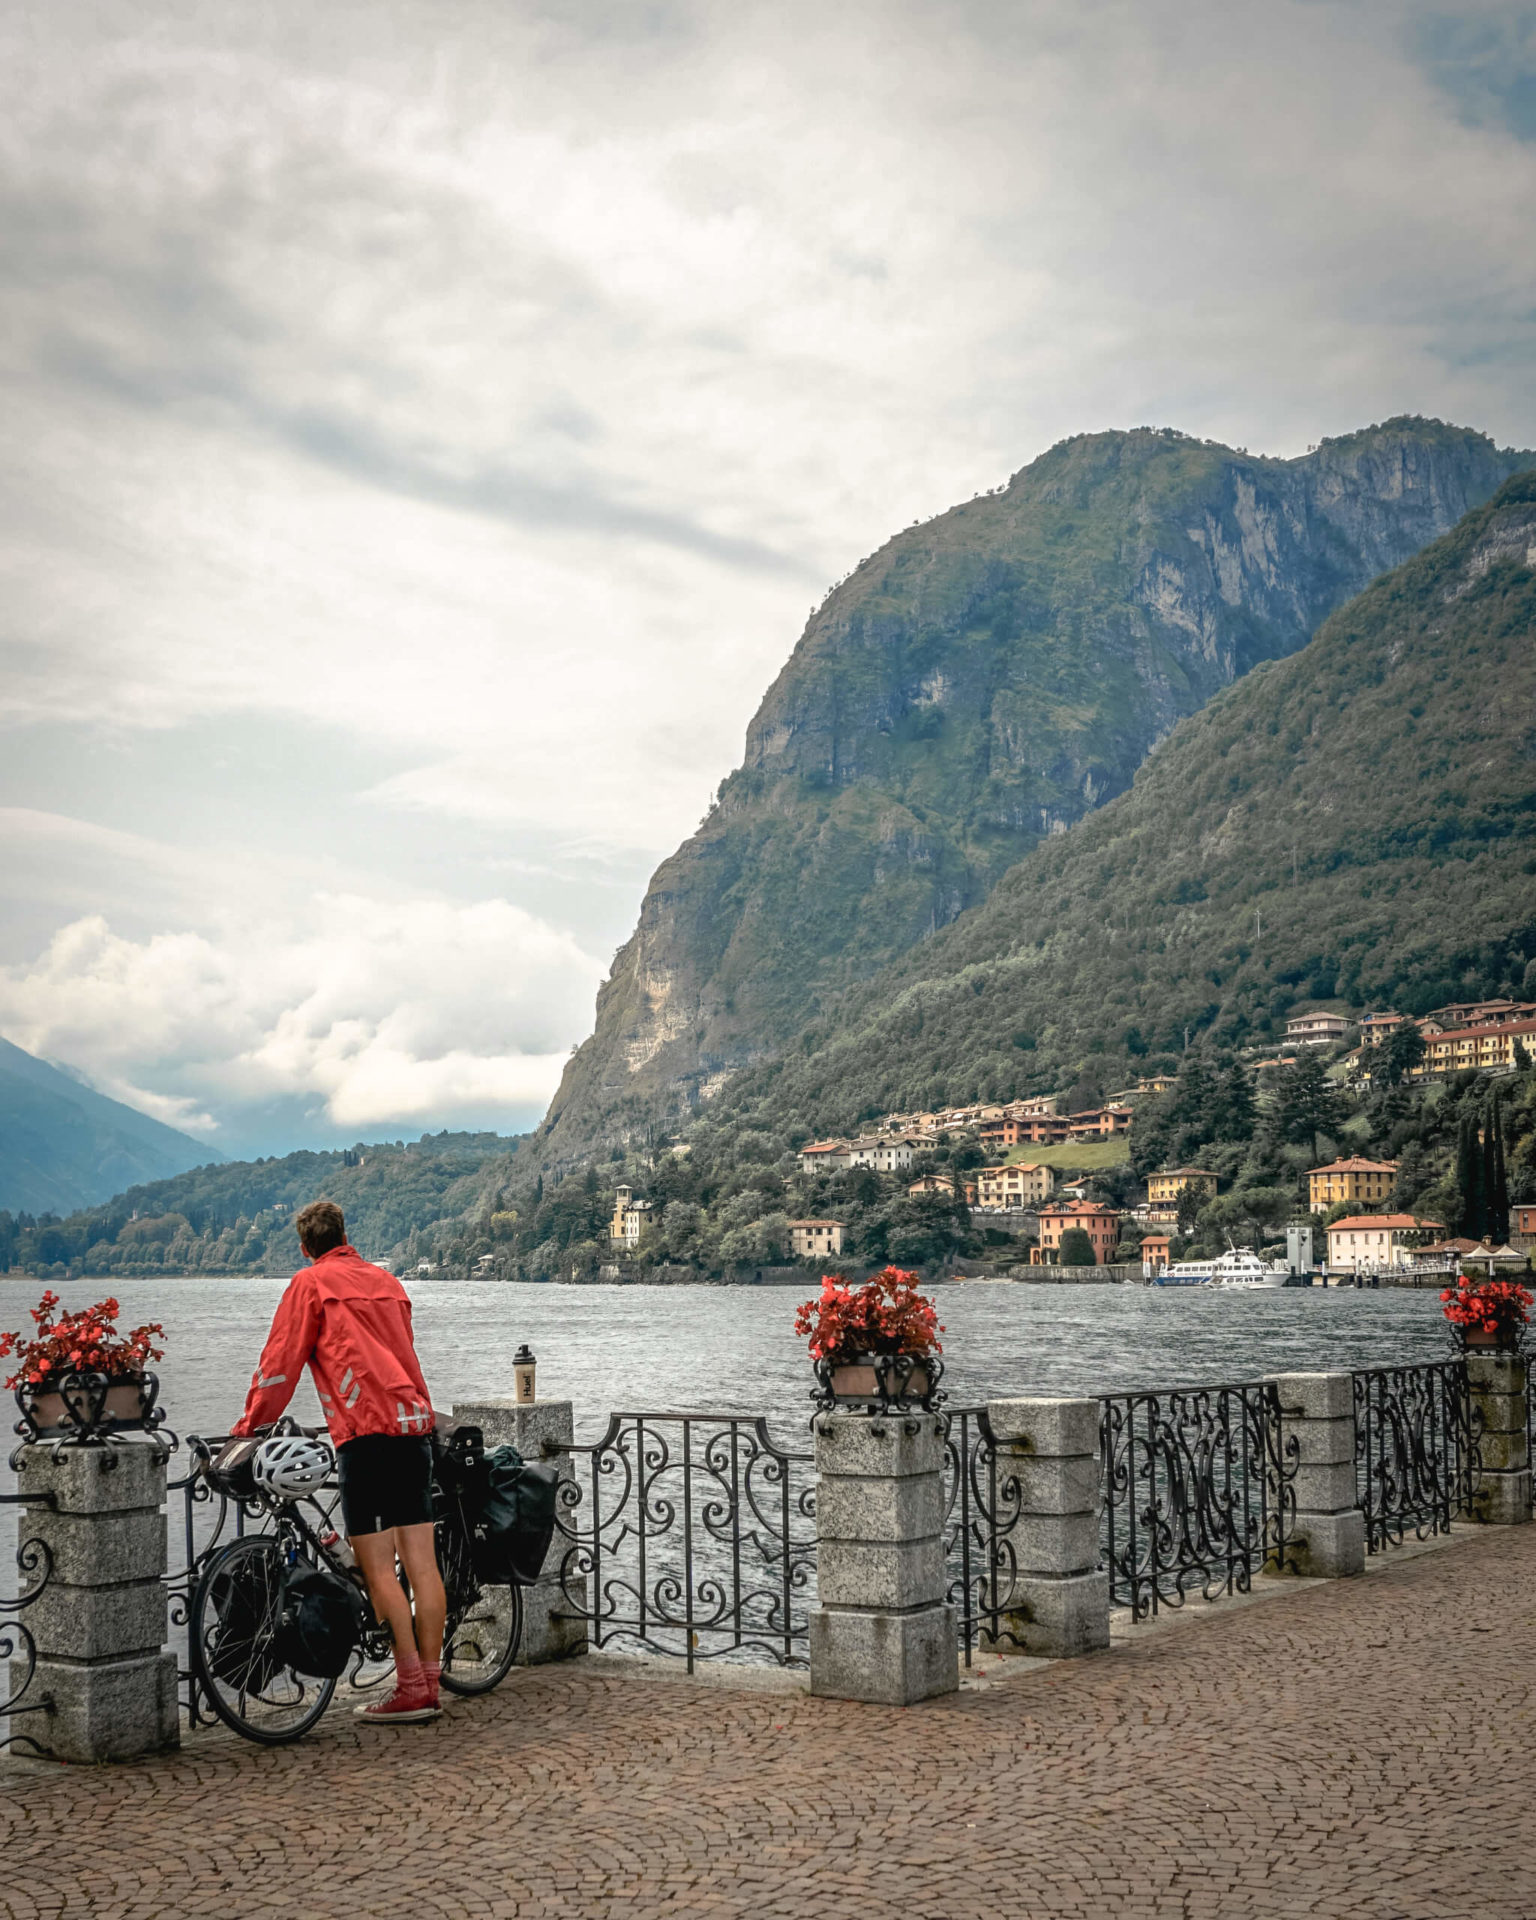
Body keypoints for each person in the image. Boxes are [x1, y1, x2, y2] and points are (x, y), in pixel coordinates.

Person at [231, 1197, 447, 1724]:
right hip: (413, 1428)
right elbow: (404, 1354)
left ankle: (411, 1686)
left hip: (365, 1435)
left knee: (378, 1571)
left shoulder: (311, 1285)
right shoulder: (388, 1283)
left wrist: (249, 1427)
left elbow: (280, 1365)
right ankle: (434, 1679)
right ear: (345, 1234)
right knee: (421, 1563)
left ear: (306, 1247)